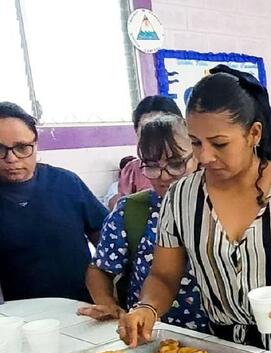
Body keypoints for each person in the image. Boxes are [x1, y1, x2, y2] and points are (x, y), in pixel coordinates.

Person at [118, 65, 271, 353]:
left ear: (254, 134)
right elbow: (163, 275)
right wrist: (147, 307)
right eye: (195, 142)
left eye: (219, 144)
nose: (205, 156)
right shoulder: (182, 197)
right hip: (228, 351)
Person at [80, 113, 209, 332]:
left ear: (198, 156)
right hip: (150, 336)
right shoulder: (131, 212)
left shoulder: (222, 206)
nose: (163, 176)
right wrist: (107, 303)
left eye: (175, 163)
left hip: (223, 340)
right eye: (151, 165)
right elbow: (100, 269)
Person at [0, 102, 107, 302]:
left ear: (36, 143)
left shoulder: (66, 183)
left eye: (22, 148)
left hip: (83, 307)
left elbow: (104, 237)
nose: (11, 158)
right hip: (19, 317)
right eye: (0, 149)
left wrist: (109, 292)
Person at [111, 95, 183, 208]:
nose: (164, 177)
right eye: (146, 130)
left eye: (176, 164)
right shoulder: (131, 171)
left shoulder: (195, 164)